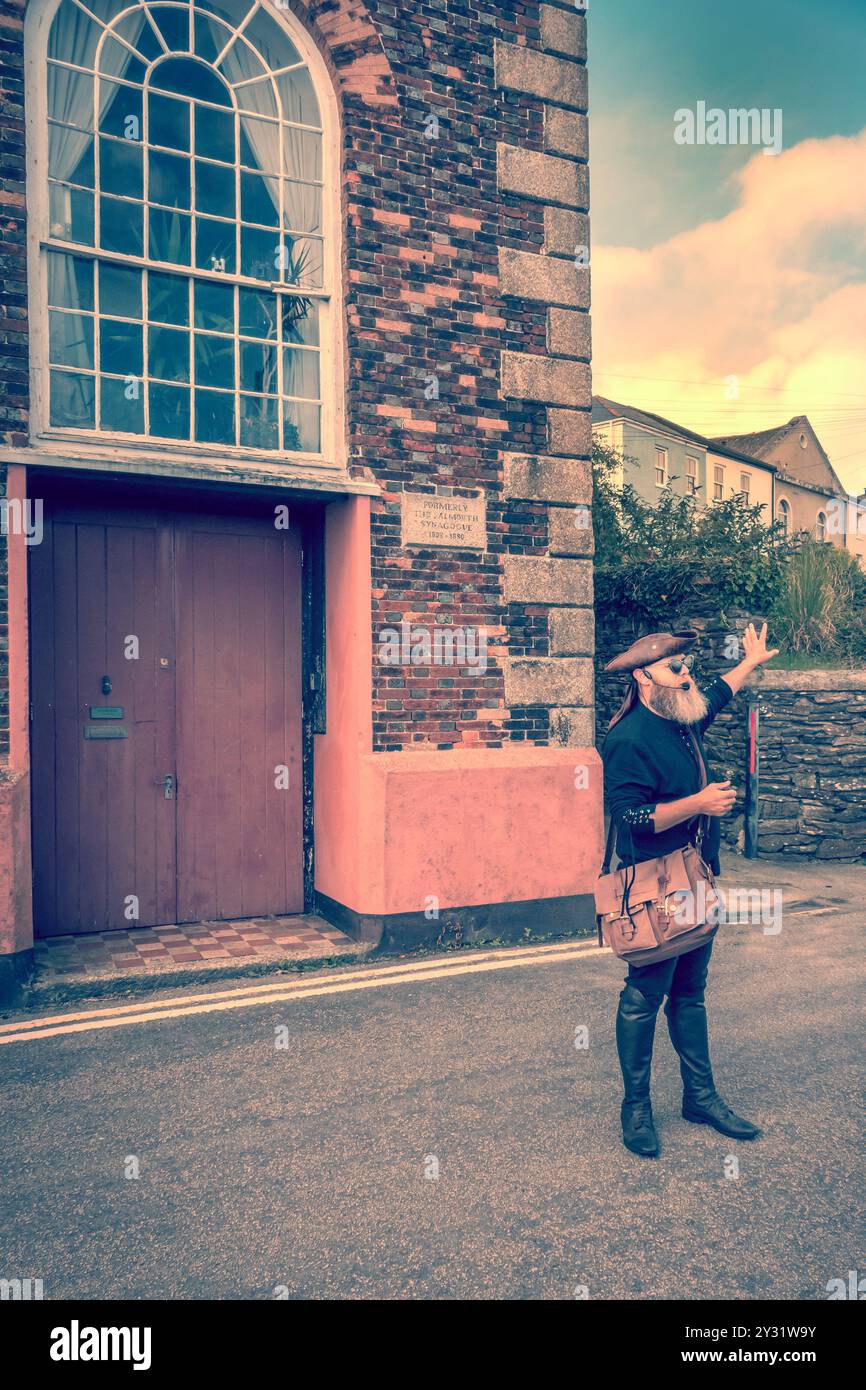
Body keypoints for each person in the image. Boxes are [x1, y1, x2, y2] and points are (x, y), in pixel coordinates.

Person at [602, 621, 779, 1158]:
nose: (686, 676)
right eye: (675, 668)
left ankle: (699, 1098)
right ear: (642, 677)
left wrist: (748, 664)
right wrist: (698, 804)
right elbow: (629, 817)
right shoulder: (628, 739)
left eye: (686, 667)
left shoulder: (681, 718)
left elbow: (716, 696)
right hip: (655, 883)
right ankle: (636, 1109)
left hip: (695, 875)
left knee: (691, 990)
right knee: (644, 994)